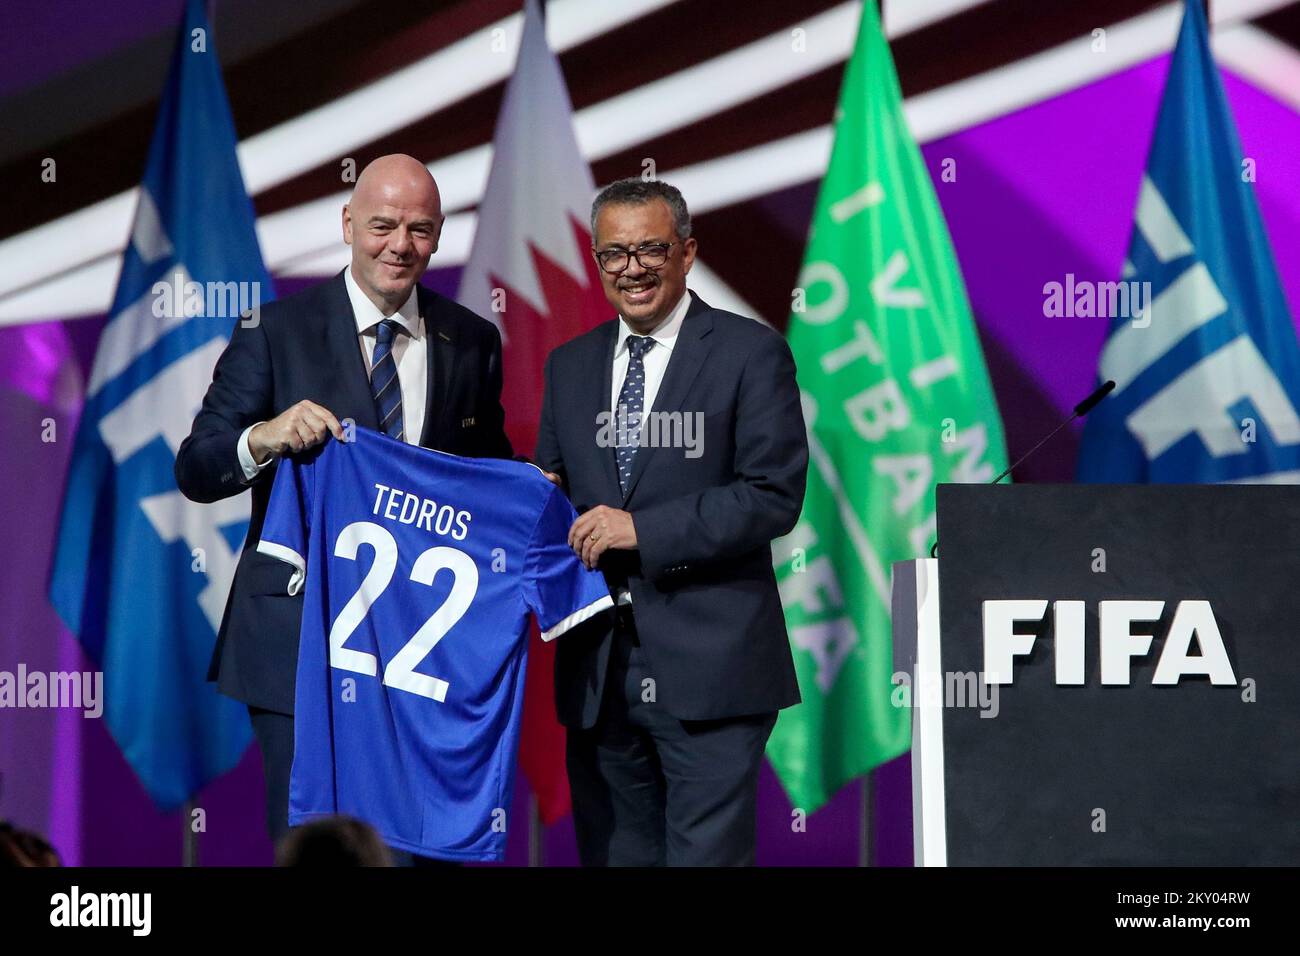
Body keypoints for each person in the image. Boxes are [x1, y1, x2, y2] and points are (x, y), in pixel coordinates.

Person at [174, 154, 513, 847]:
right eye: (382, 225)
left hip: (423, 649)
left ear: (441, 234)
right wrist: (262, 437)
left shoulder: (472, 341)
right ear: (348, 223)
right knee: (318, 848)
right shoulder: (272, 331)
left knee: (412, 850)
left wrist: (540, 493)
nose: (400, 245)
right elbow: (197, 466)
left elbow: (488, 474)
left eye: (419, 230)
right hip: (298, 641)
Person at [535, 178, 808, 865]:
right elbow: (552, 490)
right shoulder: (569, 366)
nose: (632, 268)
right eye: (614, 254)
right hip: (598, 674)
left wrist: (642, 531)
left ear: (688, 253)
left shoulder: (751, 352)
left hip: (712, 669)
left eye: (652, 249)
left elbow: (772, 494)